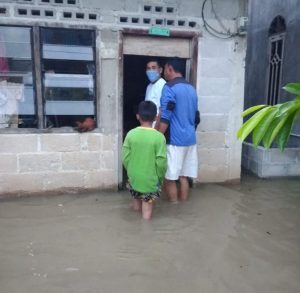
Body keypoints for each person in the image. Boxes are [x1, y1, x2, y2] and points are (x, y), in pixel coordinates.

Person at [156, 57, 200, 202]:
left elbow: (165, 117)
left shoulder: (169, 88)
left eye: (165, 70)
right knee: (183, 176)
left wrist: (156, 138)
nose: (164, 74)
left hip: (174, 142)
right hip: (190, 140)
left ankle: (174, 208)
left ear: (169, 69)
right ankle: (183, 207)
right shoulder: (191, 89)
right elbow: (196, 118)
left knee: (169, 178)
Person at [122, 101, 167, 220]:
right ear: (156, 117)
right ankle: (145, 233)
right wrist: (160, 178)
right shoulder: (159, 137)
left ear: (137, 116)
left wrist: (131, 172)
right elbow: (161, 163)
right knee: (146, 211)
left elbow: (125, 158)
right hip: (150, 180)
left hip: (134, 178)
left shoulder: (130, 134)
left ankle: (135, 227)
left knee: (136, 202)